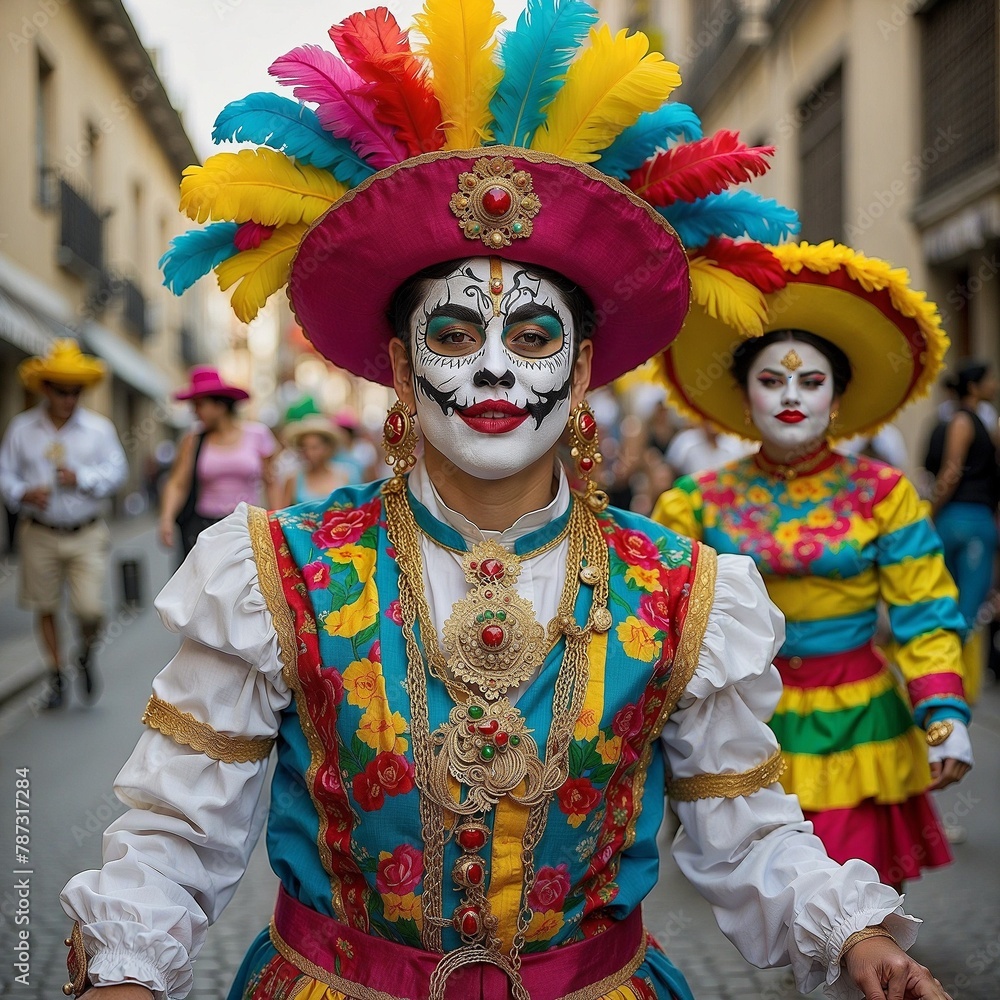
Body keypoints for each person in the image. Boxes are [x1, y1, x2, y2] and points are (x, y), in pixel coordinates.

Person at [62, 8, 956, 1000]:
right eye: (455, 331)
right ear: (402, 366)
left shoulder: (680, 589)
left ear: (579, 374)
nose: (493, 366)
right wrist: (126, 971)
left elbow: (747, 829)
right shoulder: (278, 572)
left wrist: (856, 937)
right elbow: (175, 835)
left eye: (533, 337)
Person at [654, 239, 974, 889]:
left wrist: (943, 711)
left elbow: (924, 607)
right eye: (771, 381)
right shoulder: (693, 502)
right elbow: (657, 622)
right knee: (774, 903)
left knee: (857, 897)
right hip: (746, 725)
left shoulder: (885, 494)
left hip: (860, 720)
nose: (791, 395)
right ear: (745, 400)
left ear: (836, 399)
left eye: (810, 381)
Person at [0, 339, 127, 708]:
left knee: (91, 609)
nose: (68, 399)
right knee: (46, 605)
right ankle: (56, 675)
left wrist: (83, 479)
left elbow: (117, 471)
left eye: (75, 392)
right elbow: (4, 474)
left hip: (86, 531)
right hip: (38, 532)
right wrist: (23, 492)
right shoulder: (22, 429)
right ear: (46, 389)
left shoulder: (99, 430)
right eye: (61, 391)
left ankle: (85, 653)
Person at [927, 360, 1000, 703]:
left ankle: (951, 683)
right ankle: (957, 686)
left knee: (953, 606)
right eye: (989, 379)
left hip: (958, 521)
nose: (995, 383)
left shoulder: (981, 421)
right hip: (967, 522)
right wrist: (933, 511)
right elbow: (951, 472)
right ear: (973, 386)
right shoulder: (965, 420)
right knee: (966, 610)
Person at [157, 366, 278, 557]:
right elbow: (178, 483)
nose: (195, 412)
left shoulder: (258, 434)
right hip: (205, 528)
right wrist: (166, 518)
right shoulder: (193, 440)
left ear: (220, 406)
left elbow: (271, 482)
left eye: (199, 405)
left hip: (247, 527)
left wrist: (276, 522)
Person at [279, 413, 349, 506]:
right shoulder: (294, 480)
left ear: (327, 448)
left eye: (314, 448)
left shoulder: (344, 476)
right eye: (305, 448)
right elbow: (284, 515)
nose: (309, 453)